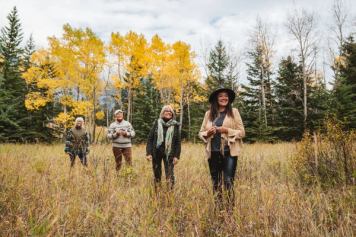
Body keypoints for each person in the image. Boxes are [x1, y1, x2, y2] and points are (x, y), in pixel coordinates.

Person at [199, 88, 245, 210]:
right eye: (221, 96)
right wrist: (208, 133)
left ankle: (230, 211)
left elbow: (242, 132)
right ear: (216, 99)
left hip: (229, 152)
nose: (224, 98)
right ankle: (219, 210)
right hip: (213, 153)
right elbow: (201, 133)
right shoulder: (208, 114)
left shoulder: (234, 112)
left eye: (226, 96)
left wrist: (227, 130)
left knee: (228, 181)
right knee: (216, 183)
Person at [146, 105, 181, 190]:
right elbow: (150, 139)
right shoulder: (157, 123)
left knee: (170, 174)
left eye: (170, 111)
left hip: (170, 154)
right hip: (156, 152)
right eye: (166, 110)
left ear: (172, 114)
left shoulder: (175, 125)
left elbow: (178, 142)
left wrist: (177, 156)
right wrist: (148, 153)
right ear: (162, 113)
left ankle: (170, 193)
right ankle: (157, 191)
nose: (168, 112)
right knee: (157, 174)